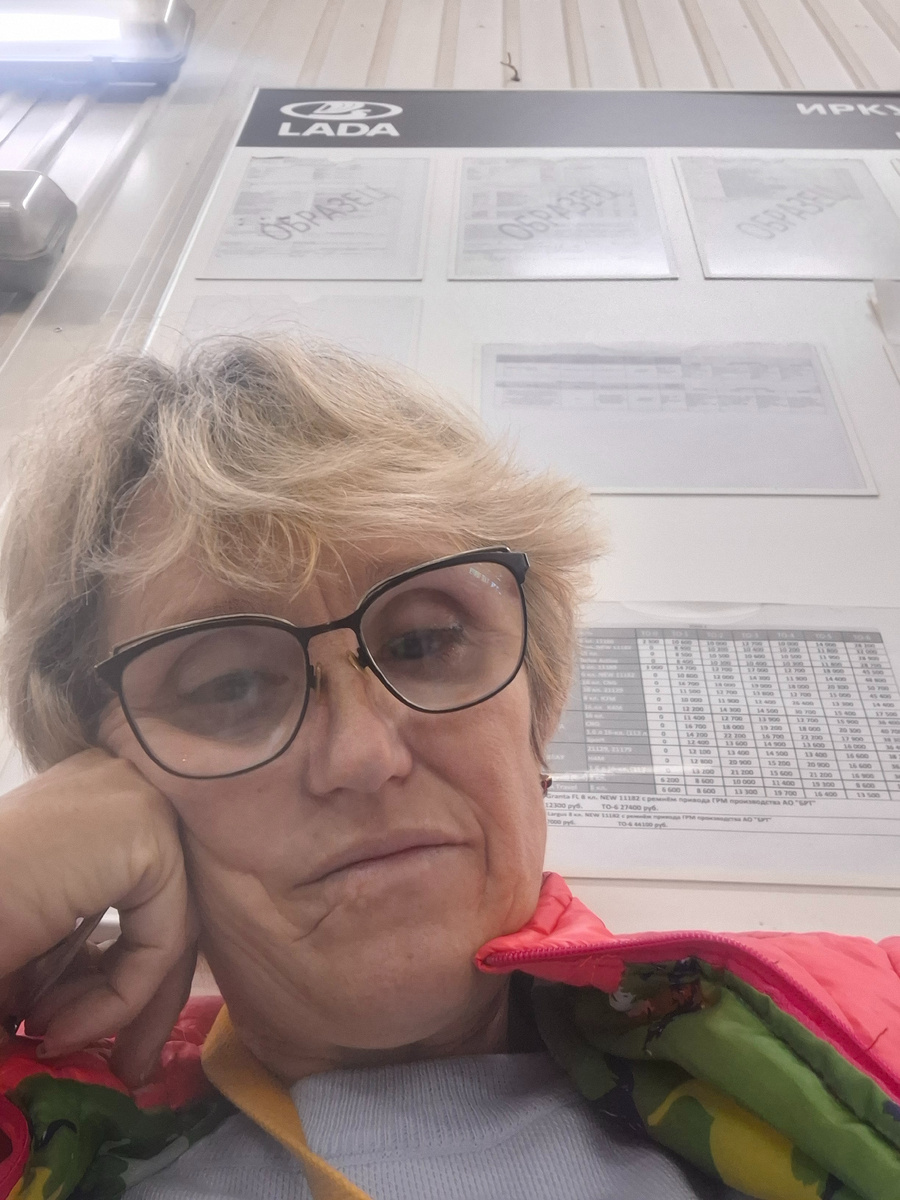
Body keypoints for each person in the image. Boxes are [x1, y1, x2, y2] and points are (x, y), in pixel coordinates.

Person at [0, 339, 897, 1200]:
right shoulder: (58, 1150)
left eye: (426, 641)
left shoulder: (864, 1027)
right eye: (230, 685)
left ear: (536, 714)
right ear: (104, 780)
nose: (363, 755)